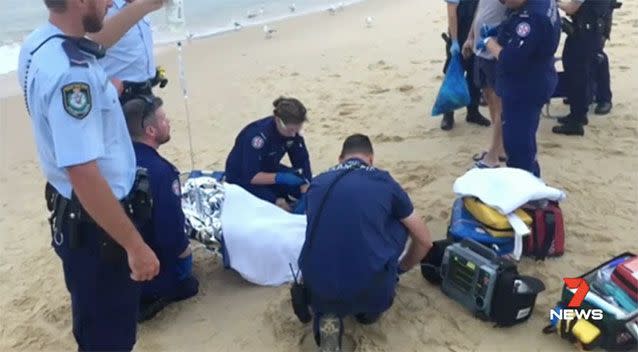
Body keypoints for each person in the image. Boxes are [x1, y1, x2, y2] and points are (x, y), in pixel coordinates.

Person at [17, 0, 165, 350]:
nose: (108, 4)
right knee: (109, 338)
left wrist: (146, 6)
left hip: (79, 219)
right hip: (100, 229)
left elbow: (98, 40)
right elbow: (83, 173)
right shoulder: (73, 75)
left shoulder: (41, 43)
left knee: (96, 325)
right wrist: (135, 246)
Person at [298, 134, 434, 351]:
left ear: (340, 158)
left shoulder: (318, 182)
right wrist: (401, 268)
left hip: (320, 285)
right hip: (372, 288)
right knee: (403, 223)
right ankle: (368, 312)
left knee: (326, 233)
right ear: (370, 158)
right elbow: (425, 240)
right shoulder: (384, 181)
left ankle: (329, 327)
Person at [123, 95, 199, 322]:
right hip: (149, 262)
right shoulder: (162, 172)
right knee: (189, 279)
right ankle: (158, 292)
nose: (169, 122)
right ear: (151, 131)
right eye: (163, 119)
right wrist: (184, 253)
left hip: (121, 257)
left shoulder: (116, 162)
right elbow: (171, 232)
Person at [479, 0, 560, 177]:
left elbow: (510, 60)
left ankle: (526, 191)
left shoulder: (531, 18)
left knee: (518, 145)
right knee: (525, 138)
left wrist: (489, 42)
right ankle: (532, 177)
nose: (503, 4)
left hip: (524, 87)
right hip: (536, 77)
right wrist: (504, 31)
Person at [224, 97, 312, 213]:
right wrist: (280, 178)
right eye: (290, 130)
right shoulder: (257, 137)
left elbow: (301, 162)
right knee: (278, 206)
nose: (293, 135)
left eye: (297, 130)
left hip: (269, 168)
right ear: (277, 120)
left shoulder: (293, 134)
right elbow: (251, 176)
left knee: (306, 190)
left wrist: (305, 189)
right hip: (242, 177)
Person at [552, 0, 613, 136]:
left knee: (578, 75)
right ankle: (578, 114)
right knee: (579, 72)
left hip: (585, 32)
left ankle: (577, 120)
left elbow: (571, 8)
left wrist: (554, 3)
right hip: (590, 29)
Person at [463, 0, 508, 168]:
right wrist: (470, 37)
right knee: (490, 99)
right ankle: (499, 147)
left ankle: (494, 154)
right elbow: (480, 10)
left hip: (495, 51)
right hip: (480, 49)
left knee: (499, 103)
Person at [96, 0, 168, 103]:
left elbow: (138, 49)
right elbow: (94, 40)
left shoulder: (139, 4)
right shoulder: (104, 7)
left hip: (146, 92)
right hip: (118, 97)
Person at [441, 0, 491, 131]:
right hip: (458, 33)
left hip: (476, 35)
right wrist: (454, 41)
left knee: (474, 74)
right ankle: (448, 114)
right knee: (453, 74)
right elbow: (452, 14)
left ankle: (473, 112)